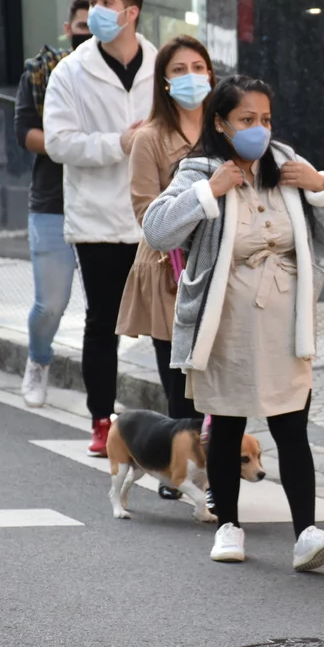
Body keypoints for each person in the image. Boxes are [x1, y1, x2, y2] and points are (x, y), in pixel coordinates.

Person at [143, 75, 324, 571]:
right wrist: (207, 192)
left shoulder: (287, 164)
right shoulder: (199, 169)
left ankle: (306, 534)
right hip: (227, 318)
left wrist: (320, 187)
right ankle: (228, 526)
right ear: (220, 123)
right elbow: (156, 230)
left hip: (285, 318)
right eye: (246, 119)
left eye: (265, 119)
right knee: (228, 423)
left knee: (292, 425)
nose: (259, 128)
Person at [43, 0, 156, 456]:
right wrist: (120, 143)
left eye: (106, 3)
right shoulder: (70, 71)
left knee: (165, 325)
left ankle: (183, 422)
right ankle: (101, 419)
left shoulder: (162, 65)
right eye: (93, 3)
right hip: (96, 218)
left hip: (154, 218)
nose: (95, 12)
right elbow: (58, 142)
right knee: (103, 321)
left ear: (131, 12)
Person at [116, 35, 214, 499]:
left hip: (219, 268)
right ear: (164, 82)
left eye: (198, 67)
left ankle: (214, 466)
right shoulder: (150, 138)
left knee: (216, 377)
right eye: (178, 69)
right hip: (168, 271)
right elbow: (144, 209)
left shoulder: (224, 129)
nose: (190, 77)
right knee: (179, 381)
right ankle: (181, 468)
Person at [15, 0, 91, 407]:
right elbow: (25, 133)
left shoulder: (125, 78)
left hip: (102, 205)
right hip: (52, 204)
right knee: (51, 304)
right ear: (68, 29)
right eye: (81, 26)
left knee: (104, 311)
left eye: (95, 26)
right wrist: (80, 145)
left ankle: (101, 393)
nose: (88, 34)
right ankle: (38, 360)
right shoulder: (42, 73)